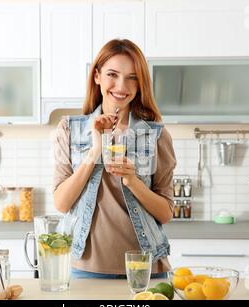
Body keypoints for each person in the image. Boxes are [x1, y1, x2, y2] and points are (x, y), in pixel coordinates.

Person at [53, 39, 177, 279]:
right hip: (85, 268)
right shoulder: (70, 129)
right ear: (97, 76)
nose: (122, 86)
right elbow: (61, 203)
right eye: (113, 74)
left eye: (132, 77)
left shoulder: (156, 135)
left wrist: (132, 180)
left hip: (145, 267)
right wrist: (95, 150)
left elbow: (165, 213)